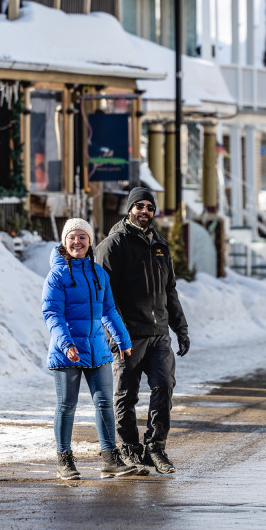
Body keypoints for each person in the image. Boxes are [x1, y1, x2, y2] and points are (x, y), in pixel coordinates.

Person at [97, 187, 190, 475]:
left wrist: (180, 328)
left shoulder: (160, 246)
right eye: (139, 206)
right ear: (130, 209)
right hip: (128, 335)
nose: (145, 211)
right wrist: (116, 336)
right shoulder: (113, 245)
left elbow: (169, 291)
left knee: (164, 387)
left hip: (159, 333)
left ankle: (155, 448)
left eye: (149, 207)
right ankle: (128, 449)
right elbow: (104, 295)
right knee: (126, 394)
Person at [42, 217, 137, 481]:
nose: (77, 241)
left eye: (82, 236)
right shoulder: (57, 274)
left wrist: (123, 340)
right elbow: (52, 313)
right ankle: (64, 459)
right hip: (67, 351)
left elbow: (108, 310)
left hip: (96, 348)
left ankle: (110, 458)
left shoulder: (99, 273)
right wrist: (67, 343)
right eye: (72, 237)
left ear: (89, 241)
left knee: (105, 403)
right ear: (64, 241)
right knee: (66, 405)